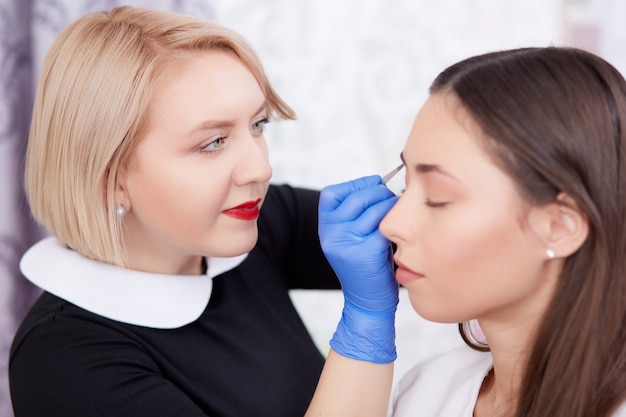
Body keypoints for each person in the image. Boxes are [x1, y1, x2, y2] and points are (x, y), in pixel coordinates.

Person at [9, 6, 341, 417]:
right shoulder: (64, 361)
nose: (260, 169)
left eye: (258, 125)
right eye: (214, 142)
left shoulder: (255, 221)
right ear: (111, 178)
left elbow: (426, 238)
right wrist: (365, 328)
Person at [306, 46, 626, 417]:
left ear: (559, 226)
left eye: (438, 196)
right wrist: (364, 322)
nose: (391, 224)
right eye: (407, 187)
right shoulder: (428, 391)